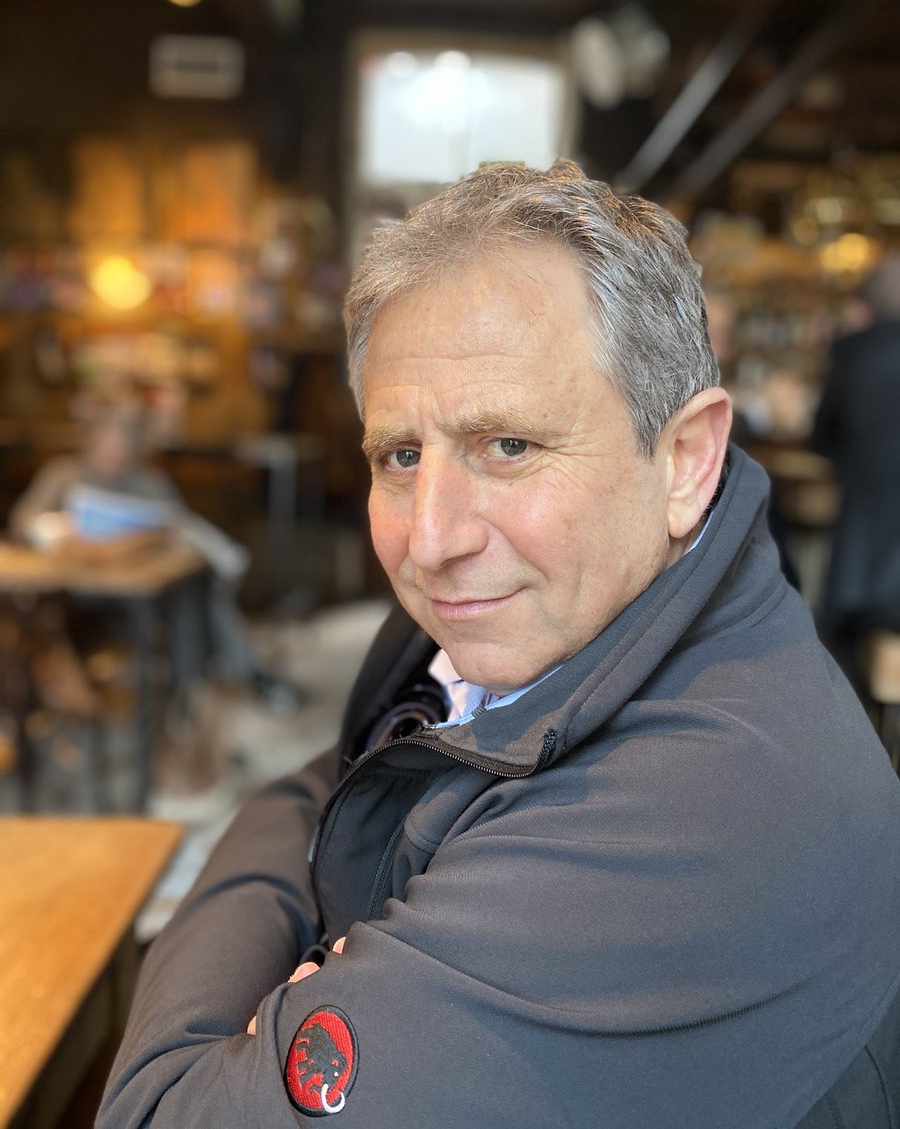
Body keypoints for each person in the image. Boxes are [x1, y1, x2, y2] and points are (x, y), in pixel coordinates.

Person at [98, 162, 900, 1128]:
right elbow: (338, 777)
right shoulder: (538, 617)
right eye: (401, 455)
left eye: (508, 447)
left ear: (686, 460)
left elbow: (159, 1112)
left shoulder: (706, 805)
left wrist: (291, 912)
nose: (431, 538)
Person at [9, 402, 297, 704]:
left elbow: (177, 529)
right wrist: (51, 527)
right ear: (90, 441)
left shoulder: (150, 482)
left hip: (140, 585)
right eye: (106, 449)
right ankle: (227, 676)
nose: (113, 459)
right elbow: (23, 519)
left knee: (198, 588)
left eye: (121, 452)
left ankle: (197, 687)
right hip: (77, 586)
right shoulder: (64, 474)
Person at [810, 254, 900, 675]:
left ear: (865, 307)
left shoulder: (852, 356)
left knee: (849, 671)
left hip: (862, 570)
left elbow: (821, 443)